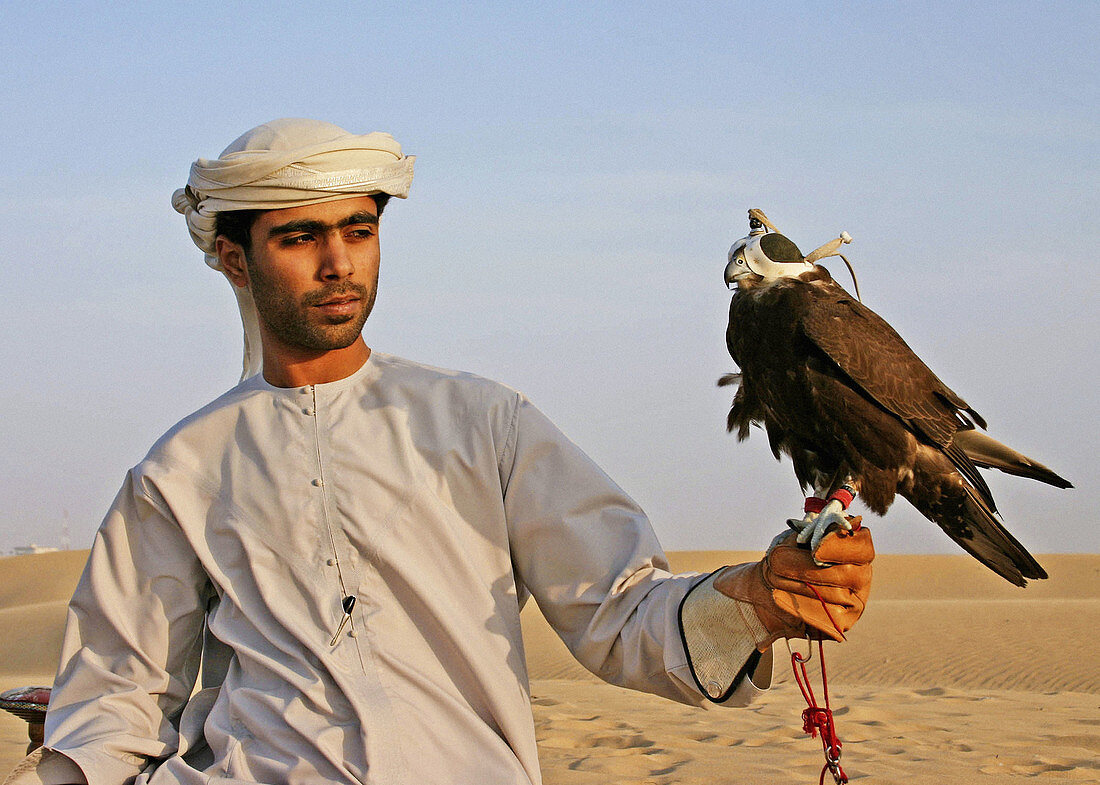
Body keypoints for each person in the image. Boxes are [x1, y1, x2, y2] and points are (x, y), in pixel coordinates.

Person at [18, 119, 873, 785]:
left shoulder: (482, 422)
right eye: (300, 238)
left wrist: (758, 597)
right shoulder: (179, 472)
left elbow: (618, 609)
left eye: (358, 230)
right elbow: (116, 700)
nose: (338, 263)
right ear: (234, 261)